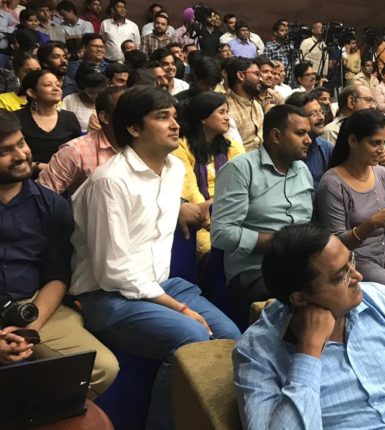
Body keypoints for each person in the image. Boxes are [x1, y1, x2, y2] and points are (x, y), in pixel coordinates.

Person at [69, 86, 241, 430]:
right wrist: (181, 309)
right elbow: (113, 271)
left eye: (175, 116)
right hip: (106, 295)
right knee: (191, 336)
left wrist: (185, 209)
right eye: (162, 117)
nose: (175, 124)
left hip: (159, 284)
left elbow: (152, 213)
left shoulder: (174, 168)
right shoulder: (110, 182)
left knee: (230, 335)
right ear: (134, 128)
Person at [233, 222, 385, 429]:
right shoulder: (257, 351)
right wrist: (308, 355)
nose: (358, 277)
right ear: (300, 298)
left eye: (350, 262)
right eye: (341, 276)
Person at [0, 108, 117, 394]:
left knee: (102, 367)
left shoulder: (51, 204)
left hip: (30, 304)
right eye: (5, 151)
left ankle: (37, 413)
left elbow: (57, 275)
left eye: (21, 143)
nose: (21, 155)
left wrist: (28, 331)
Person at [211, 105, 314, 325]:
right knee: (317, 294)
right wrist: (284, 242)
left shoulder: (302, 170)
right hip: (257, 272)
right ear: (276, 135)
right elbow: (222, 234)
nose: (309, 140)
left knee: (346, 283)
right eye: (300, 133)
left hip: (302, 265)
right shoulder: (240, 169)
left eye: (308, 133)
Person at [316, 109, 385, 284]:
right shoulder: (332, 183)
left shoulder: (381, 173)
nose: (382, 150)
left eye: (384, 143)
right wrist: (373, 222)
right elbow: (338, 244)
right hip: (357, 259)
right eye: (375, 143)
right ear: (353, 141)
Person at [173, 92, 244, 257]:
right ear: (203, 118)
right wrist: (211, 219)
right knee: (208, 247)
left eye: (227, 112)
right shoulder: (182, 146)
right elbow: (189, 190)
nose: (227, 118)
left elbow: (242, 185)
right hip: (199, 216)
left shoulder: (232, 147)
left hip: (231, 212)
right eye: (221, 112)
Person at [39, 86, 122, 194]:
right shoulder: (75, 152)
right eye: (125, 110)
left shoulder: (140, 145)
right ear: (104, 117)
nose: (135, 115)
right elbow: (43, 196)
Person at [15, 70, 80, 164]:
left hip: (63, 171)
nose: (56, 89)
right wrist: (38, 166)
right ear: (32, 92)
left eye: (58, 85)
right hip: (26, 171)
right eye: (48, 85)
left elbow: (77, 153)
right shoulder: (16, 118)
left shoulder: (69, 117)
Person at [284, 92, 333, 188]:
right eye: (313, 114)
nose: (321, 117)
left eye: (321, 112)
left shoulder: (327, 149)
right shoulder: (284, 150)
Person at [224, 57, 263, 152]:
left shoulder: (256, 104)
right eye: (257, 74)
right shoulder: (226, 109)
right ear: (241, 76)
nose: (261, 79)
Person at [61, 63, 107, 131]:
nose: (96, 96)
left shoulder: (109, 101)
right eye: (91, 92)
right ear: (83, 88)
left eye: (100, 92)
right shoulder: (70, 101)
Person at [264, 19, 293, 85]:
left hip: (290, 81)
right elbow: (267, 65)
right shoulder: (270, 46)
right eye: (282, 30)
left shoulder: (290, 45)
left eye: (286, 31)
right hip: (276, 81)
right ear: (275, 33)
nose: (285, 33)